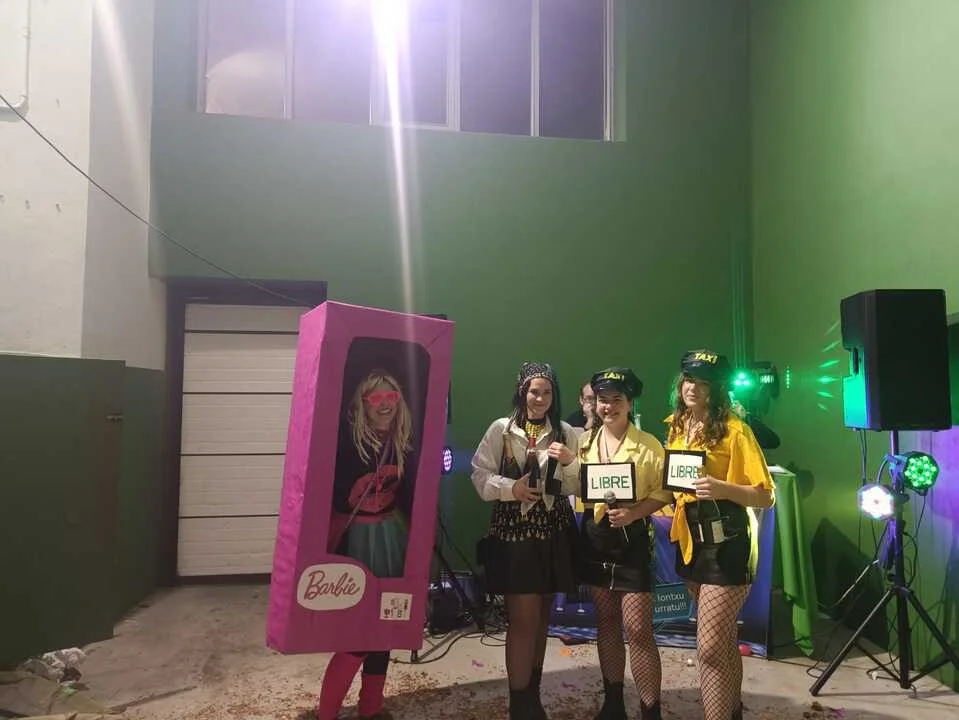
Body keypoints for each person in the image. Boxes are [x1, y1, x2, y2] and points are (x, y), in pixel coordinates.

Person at [666, 350, 775, 720]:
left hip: (728, 540)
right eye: (688, 380)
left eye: (703, 383)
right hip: (692, 541)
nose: (692, 388)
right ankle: (732, 711)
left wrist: (722, 487)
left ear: (718, 389)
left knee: (710, 647)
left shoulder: (735, 430)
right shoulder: (676, 425)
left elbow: (765, 496)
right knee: (724, 640)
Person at [472, 362, 581, 720]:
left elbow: (578, 486)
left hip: (555, 530)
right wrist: (511, 488)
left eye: (547, 392)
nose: (540, 398)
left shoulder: (565, 431)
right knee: (523, 619)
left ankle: (533, 696)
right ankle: (519, 706)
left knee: (543, 617)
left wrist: (570, 463)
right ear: (522, 391)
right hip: (515, 534)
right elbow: (479, 475)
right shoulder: (501, 430)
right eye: (535, 391)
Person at [567, 368, 673, 720]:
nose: (608, 406)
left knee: (639, 629)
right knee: (607, 623)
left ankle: (650, 711)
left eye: (616, 400)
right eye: (602, 400)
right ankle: (613, 704)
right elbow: (577, 485)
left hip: (632, 542)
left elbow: (664, 492)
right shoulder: (585, 442)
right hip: (596, 539)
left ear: (630, 404)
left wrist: (634, 513)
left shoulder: (648, 444)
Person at [316, 369, 417, 720]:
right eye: (376, 397)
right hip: (355, 541)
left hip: (389, 537)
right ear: (362, 403)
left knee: (384, 629)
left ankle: (371, 709)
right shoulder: (347, 443)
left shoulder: (403, 443)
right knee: (357, 634)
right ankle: (326, 714)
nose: (385, 404)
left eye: (392, 396)